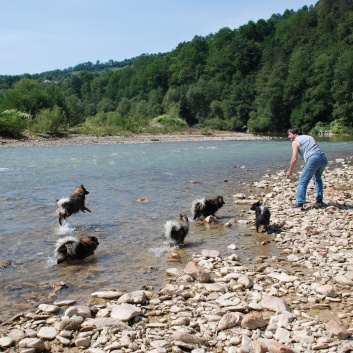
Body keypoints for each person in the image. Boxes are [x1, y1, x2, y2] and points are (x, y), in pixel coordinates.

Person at [286, 127, 328, 209]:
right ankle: (319, 201)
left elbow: (294, 158)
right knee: (318, 179)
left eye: (289, 134)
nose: (288, 136)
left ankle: (299, 203)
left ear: (295, 134)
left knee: (302, 181)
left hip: (313, 159)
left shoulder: (295, 142)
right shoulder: (309, 137)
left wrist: (290, 171)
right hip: (323, 158)